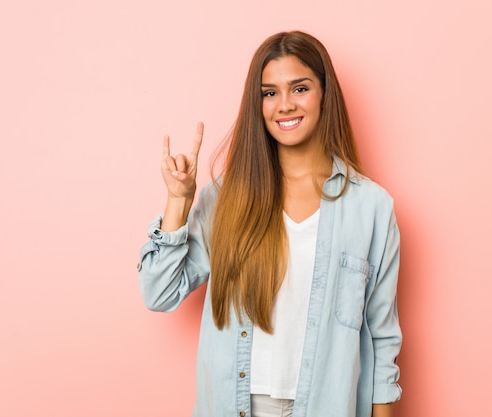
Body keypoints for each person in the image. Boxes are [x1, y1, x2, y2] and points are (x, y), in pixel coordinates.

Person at [138, 31, 402, 417]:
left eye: (299, 88)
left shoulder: (371, 207)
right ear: (257, 103)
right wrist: (179, 200)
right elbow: (159, 294)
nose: (284, 105)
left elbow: (382, 339)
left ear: (325, 94)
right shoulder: (225, 198)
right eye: (269, 93)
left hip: (328, 406)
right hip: (236, 406)